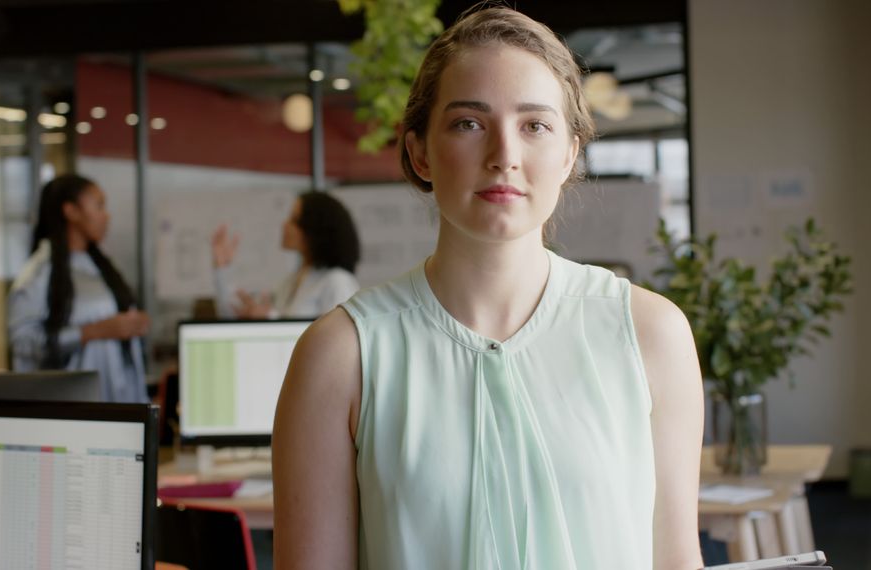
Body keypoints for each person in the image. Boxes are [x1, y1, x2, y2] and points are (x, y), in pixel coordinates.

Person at [272, 6, 704, 570]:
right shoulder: (340, 354)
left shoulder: (650, 334)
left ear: (570, 153)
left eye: (535, 126)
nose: (505, 157)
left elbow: (676, 560)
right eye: (468, 124)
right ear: (419, 152)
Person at [8, 174, 150, 404]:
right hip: (74, 410)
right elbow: (23, 342)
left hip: (119, 404)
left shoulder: (100, 266)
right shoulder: (39, 273)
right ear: (71, 211)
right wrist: (92, 332)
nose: (107, 215)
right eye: (99, 206)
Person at [211, 191, 361, 319]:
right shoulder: (290, 283)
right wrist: (222, 269)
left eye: (294, 220)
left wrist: (269, 317)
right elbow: (234, 318)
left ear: (314, 231)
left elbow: (337, 339)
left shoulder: (338, 282)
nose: (284, 224)